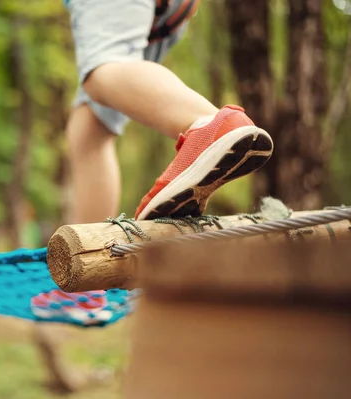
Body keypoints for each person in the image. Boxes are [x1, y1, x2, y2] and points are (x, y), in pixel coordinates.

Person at [31, 0, 274, 324]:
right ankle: (85, 285)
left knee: (105, 68)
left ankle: (210, 125)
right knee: (90, 129)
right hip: (169, 15)